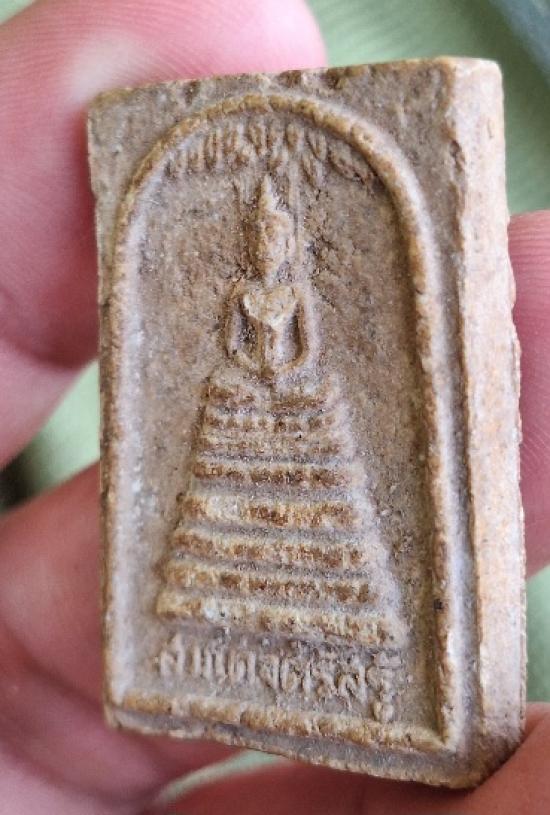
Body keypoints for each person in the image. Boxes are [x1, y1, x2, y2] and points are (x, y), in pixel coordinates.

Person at [0, 1, 548, 813]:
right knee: (223, 404)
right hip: (244, 396)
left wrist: (281, 376)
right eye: (259, 241)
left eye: (273, 240)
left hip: (292, 395)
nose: (265, 250)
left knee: (313, 407)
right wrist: (253, 373)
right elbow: (235, 348)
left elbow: (301, 351)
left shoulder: (291, 292)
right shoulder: (244, 293)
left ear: (287, 241)